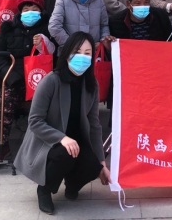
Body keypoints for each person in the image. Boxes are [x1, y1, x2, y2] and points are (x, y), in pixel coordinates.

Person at [14, 31, 110, 215]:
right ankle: (44, 189)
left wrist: (102, 162)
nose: (82, 57)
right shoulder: (51, 81)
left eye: (87, 53)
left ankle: (72, 185)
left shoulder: (91, 84)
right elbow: (35, 120)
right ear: (67, 54)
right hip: (49, 142)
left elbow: (94, 124)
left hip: (76, 140)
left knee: (94, 166)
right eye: (77, 52)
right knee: (66, 153)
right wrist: (62, 138)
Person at [0, 0, 55, 162]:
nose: (30, 12)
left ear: (41, 11)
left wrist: (44, 45)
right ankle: (2, 144)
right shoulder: (9, 28)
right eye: (26, 9)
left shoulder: (49, 28)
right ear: (20, 11)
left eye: (34, 9)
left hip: (41, 79)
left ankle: (47, 145)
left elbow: (56, 56)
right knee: (5, 102)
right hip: (15, 78)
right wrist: (11, 76)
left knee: (48, 105)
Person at [108, 0, 172, 41]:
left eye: (146, 2)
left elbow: (170, 41)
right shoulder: (116, 22)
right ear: (128, 4)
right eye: (137, 3)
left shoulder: (161, 17)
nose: (142, 6)